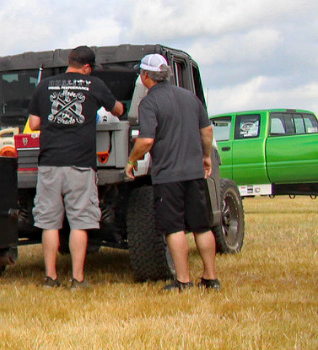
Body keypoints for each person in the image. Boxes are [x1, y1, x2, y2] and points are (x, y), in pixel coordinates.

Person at [28, 46, 123, 288]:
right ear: (88, 68)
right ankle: (77, 279)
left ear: (69, 62)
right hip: (80, 163)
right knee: (80, 221)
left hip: (49, 163)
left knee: (49, 222)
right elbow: (118, 110)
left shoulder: (44, 85)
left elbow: (34, 123)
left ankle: (50, 278)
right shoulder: (94, 85)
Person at [124, 53, 219, 290]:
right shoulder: (190, 97)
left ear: (146, 76)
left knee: (175, 228)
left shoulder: (149, 102)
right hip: (194, 173)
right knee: (202, 226)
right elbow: (207, 131)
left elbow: (146, 140)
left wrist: (131, 160)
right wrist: (206, 157)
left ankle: (183, 280)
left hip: (168, 175)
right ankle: (210, 277)